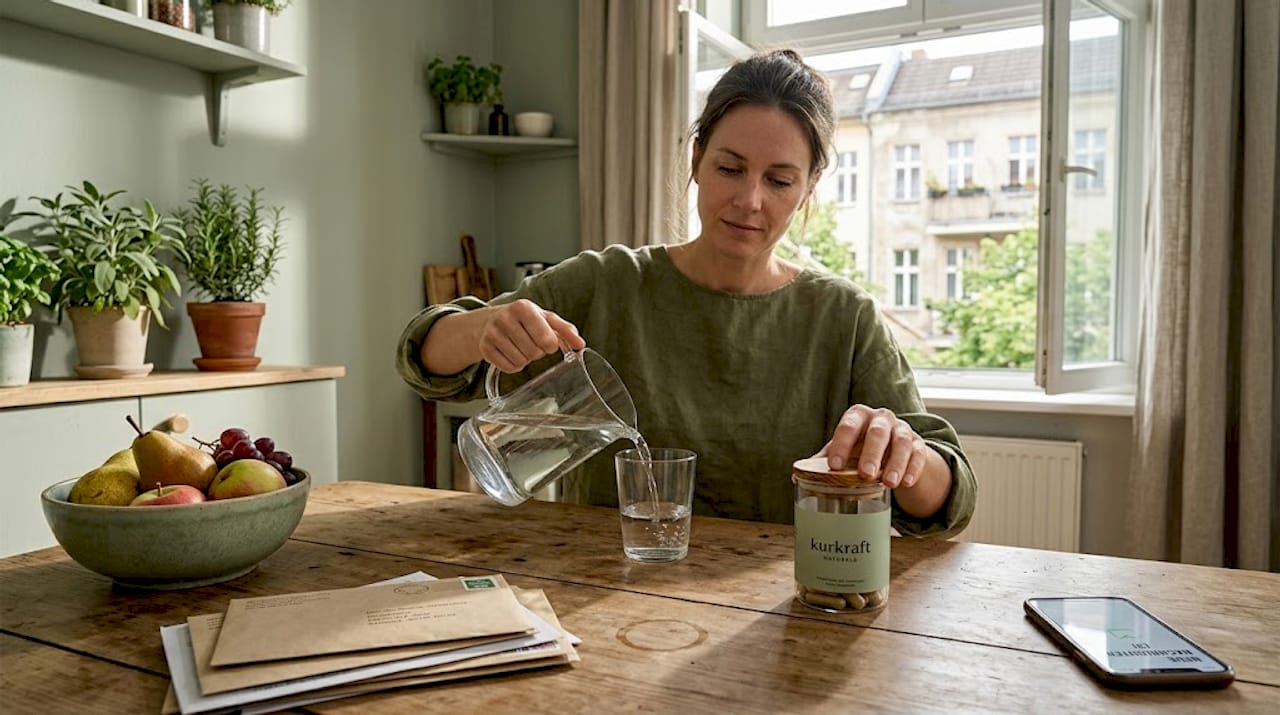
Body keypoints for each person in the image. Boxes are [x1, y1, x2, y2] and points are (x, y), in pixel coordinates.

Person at [398, 49, 975, 537]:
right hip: (600, 590)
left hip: (781, 614)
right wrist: (480, 329)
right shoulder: (607, 284)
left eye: (779, 181)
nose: (749, 200)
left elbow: (950, 504)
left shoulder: (843, 319)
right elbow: (423, 359)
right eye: (729, 168)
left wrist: (909, 456)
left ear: (809, 189)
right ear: (696, 160)